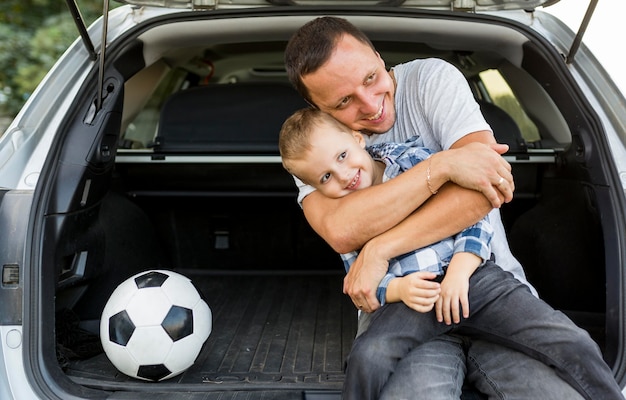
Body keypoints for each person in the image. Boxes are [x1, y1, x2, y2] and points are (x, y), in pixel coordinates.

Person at [283, 16, 622, 399]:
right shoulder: (317, 147)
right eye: (344, 101)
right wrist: (445, 167)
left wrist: (381, 247)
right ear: (319, 107)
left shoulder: (431, 81)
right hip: (406, 304)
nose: (370, 104)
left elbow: (485, 188)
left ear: (378, 57)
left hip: (481, 284)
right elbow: (343, 231)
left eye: (370, 78)